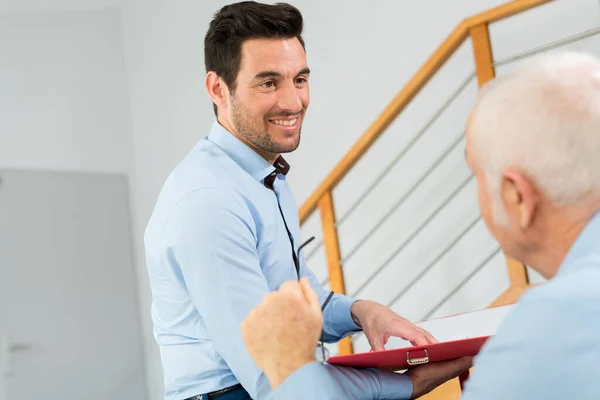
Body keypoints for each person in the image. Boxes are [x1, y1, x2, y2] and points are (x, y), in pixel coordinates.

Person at [144, 2, 466, 400]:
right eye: (268, 83)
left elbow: (297, 298)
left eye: (299, 79)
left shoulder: (264, 174)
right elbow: (272, 376)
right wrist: (405, 385)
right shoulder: (208, 204)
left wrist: (361, 312)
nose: (293, 102)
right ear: (217, 89)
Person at [241, 50, 600, 399]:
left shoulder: (549, 334)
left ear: (516, 197)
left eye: (476, 174)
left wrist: (292, 372)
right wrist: (359, 310)